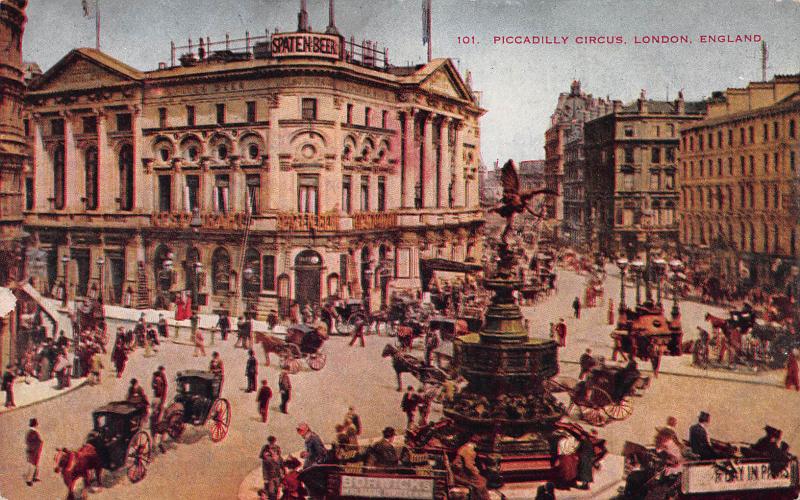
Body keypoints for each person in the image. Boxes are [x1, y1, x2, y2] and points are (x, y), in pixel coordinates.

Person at [453, 435, 491, 500]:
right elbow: (469, 466)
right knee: (482, 482)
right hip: (461, 474)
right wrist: (476, 472)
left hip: (461, 472)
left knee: (482, 480)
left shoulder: (465, 447)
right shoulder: (468, 450)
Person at [260, 435, 283, 500]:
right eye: (271, 442)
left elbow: (281, 463)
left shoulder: (277, 449)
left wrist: (283, 473)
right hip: (270, 476)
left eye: (273, 442)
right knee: (271, 491)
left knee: (277, 490)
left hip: (277, 474)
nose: (272, 444)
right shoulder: (265, 449)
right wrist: (265, 478)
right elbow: (264, 467)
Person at [25, 418, 43, 486]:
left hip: (34, 451)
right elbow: (34, 442)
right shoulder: (33, 432)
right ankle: (28, 480)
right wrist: (35, 449)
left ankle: (34, 477)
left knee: (35, 464)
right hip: (33, 452)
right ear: (35, 425)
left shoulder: (31, 432)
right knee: (32, 465)